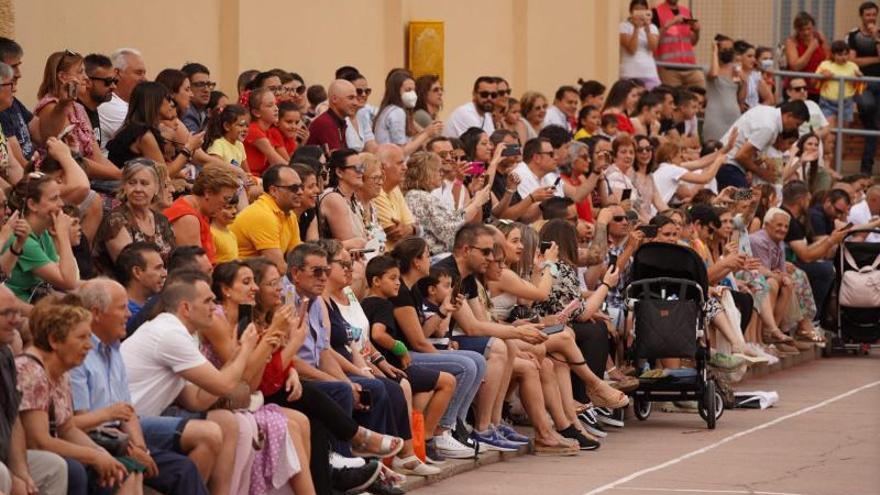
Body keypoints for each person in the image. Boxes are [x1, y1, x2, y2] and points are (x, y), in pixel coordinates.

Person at [120, 270, 257, 495]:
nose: (214, 306)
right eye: (208, 301)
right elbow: (223, 386)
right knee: (209, 433)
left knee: (224, 420)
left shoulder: (180, 333)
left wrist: (237, 355)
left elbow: (196, 400)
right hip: (128, 424)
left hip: (147, 417)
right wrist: (247, 350)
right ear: (185, 308)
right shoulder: (169, 333)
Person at [69, 279, 209, 495]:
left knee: (184, 470)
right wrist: (127, 447)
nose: (128, 314)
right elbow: (78, 426)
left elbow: (128, 413)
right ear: (96, 313)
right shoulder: (78, 355)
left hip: (120, 436)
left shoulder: (114, 348)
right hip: (94, 440)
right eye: (122, 308)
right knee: (127, 473)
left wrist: (141, 448)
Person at [17, 294, 141, 495]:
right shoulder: (30, 371)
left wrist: (100, 453)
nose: (90, 345)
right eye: (82, 337)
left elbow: (67, 428)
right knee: (77, 470)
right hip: (23, 459)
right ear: (55, 340)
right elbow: (38, 441)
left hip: (53, 452)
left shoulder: (61, 372)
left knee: (124, 469)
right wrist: (93, 457)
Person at [0, 285, 68, 495]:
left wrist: (21, 473)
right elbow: (40, 439)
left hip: (5, 456)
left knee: (54, 467)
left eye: (17, 312)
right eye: (6, 314)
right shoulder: (30, 369)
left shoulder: (5, 354)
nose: (17, 320)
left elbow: (14, 420)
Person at [34, 51, 122, 183]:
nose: (86, 78)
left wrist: (123, 175)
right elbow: (74, 159)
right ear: (63, 77)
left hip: (86, 179)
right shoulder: (50, 107)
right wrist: (120, 176)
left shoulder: (78, 108)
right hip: (61, 181)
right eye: (81, 72)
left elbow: (96, 155)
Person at [780, 181, 849, 323]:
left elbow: (807, 251)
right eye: (807, 199)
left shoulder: (793, 219)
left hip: (789, 262)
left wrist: (831, 239)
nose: (809, 203)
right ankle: (812, 321)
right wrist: (830, 241)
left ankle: (819, 319)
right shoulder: (786, 219)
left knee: (828, 267)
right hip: (784, 265)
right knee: (825, 269)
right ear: (800, 200)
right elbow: (805, 256)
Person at [4, 173, 79, 302]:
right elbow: (69, 282)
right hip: (15, 311)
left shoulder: (42, 233)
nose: (61, 204)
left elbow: (63, 275)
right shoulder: (24, 239)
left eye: (60, 197)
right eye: (54, 198)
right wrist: (63, 235)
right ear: (32, 204)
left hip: (36, 300)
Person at [93, 159, 176, 275]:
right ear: (124, 187)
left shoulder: (161, 220)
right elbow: (130, 269)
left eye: (144, 183)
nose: (138, 189)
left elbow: (174, 260)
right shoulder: (116, 220)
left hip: (162, 283)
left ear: (157, 188)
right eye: (132, 183)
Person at [105, 81, 202, 180]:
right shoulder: (143, 135)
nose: (171, 103)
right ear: (155, 102)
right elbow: (164, 175)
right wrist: (188, 148)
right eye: (168, 99)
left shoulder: (135, 127)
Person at [402, 151, 489, 255]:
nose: (441, 174)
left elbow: (452, 218)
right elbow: (450, 231)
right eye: (438, 171)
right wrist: (476, 204)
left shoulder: (418, 195)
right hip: (436, 257)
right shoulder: (420, 197)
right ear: (427, 173)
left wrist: (475, 201)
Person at [717, 100, 810, 189]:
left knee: (742, 198)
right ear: (789, 115)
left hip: (727, 162)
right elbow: (741, 156)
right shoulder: (769, 127)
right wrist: (763, 173)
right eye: (797, 124)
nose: (795, 128)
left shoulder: (765, 111)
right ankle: (717, 201)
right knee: (745, 198)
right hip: (729, 165)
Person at [230, 165, 303, 273]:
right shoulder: (263, 215)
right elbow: (278, 267)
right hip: (238, 279)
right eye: (294, 188)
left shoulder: (289, 214)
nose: (300, 192)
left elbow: (297, 257)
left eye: (302, 187)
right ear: (273, 191)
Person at [163, 164, 240, 264]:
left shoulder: (200, 212)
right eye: (225, 199)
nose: (226, 205)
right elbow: (193, 268)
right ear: (208, 193)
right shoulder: (188, 219)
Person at [374, 69, 442, 155]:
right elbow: (401, 151)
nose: (412, 94)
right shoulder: (397, 112)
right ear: (396, 92)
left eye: (413, 90)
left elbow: (407, 142)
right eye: (408, 90)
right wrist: (427, 133)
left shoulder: (390, 109)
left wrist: (424, 133)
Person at [849, 1, 880, 174]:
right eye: (868, 15)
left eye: (874, 14)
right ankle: (865, 170)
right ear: (862, 16)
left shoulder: (879, 34)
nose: (871, 18)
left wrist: (876, 38)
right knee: (868, 108)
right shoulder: (854, 35)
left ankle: (865, 170)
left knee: (873, 127)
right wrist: (876, 60)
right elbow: (853, 61)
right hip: (863, 83)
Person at [0, 37, 38, 163]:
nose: (19, 74)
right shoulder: (3, 108)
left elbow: (41, 132)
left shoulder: (11, 101)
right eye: (13, 67)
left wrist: (62, 106)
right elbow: (17, 166)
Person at [99, 48, 148, 146]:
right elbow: (146, 137)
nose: (145, 79)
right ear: (117, 73)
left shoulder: (130, 103)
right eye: (138, 73)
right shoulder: (108, 104)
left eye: (144, 73)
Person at [374, 144, 418, 250]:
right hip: (384, 258)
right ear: (382, 168)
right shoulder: (376, 192)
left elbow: (414, 227)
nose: (405, 167)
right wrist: (411, 229)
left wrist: (410, 229)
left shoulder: (394, 189)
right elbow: (395, 234)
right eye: (399, 163)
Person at [652, 0, 703, 88]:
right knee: (672, 98)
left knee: (700, 93)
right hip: (668, 68)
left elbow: (693, 42)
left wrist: (697, 31)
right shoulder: (656, 11)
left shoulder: (686, 11)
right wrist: (670, 23)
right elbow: (653, 40)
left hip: (690, 66)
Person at [816, 40, 863, 130]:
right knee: (828, 132)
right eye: (840, 55)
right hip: (827, 102)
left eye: (846, 54)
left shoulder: (853, 66)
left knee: (843, 134)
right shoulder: (825, 65)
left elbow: (859, 89)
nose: (844, 57)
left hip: (847, 103)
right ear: (833, 55)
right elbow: (813, 82)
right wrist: (822, 76)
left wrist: (859, 79)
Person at [703, 35, 742, 142]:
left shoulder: (735, 70)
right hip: (715, 117)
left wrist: (744, 82)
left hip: (733, 117)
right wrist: (714, 52)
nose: (728, 52)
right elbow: (714, 74)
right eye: (724, 49)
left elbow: (740, 97)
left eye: (730, 49)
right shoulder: (708, 68)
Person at [114, 241, 166, 321]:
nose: (164, 274)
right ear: (137, 272)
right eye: (158, 268)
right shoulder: (123, 315)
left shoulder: (156, 305)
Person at [242, 87, 286, 178]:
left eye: (276, 104)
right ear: (256, 112)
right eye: (270, 105)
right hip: (249, 180)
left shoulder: (268, 131)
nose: (276, 109)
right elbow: (278, 162)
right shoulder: (253, 130)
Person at [784, 11, 828, 101]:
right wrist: (811, 49)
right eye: (802, 30)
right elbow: (796, 66)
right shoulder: (791, 42)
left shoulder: (819, 37)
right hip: (798, 88)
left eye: (809, 29)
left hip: (818, 87)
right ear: (796, 29)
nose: (806, 33)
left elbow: (828, 57)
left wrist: (822, 72)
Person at [78, 54, 117, 151]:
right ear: (87, 82)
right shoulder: (76, 112)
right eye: (108, 81)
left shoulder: (93, 109)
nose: (113, 86)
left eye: (115, 81)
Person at [306, 79, 357, 152]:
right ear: (334, 99)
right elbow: (338, 159)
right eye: (350, 98)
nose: (355, 103)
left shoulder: (339, 121)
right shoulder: (325, 123)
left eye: (356, 98)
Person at [619, 0, 660, 89]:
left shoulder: (653, 28)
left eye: (643, 10)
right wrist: (636, 28)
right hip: (630, 73)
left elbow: (653, 48)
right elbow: (632, 49)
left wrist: (647, 28)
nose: (640, 14)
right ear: (631, 12)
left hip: (649, 73)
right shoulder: (623, 26)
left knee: (654, 100)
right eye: (637, 10)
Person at [734, 40, 774, 110]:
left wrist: (754, 110)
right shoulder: (732, 74)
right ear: (739, 57)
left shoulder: (755, 76)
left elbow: (770, 100)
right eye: (749, 56)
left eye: (754, 56)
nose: (753, 60)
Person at [181, 63, 214, 132]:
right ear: (187, 86)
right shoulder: (187, 112)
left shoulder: (203, 111)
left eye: (208, 84)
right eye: (200, 84)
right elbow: (200, 141)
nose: (206, 90)